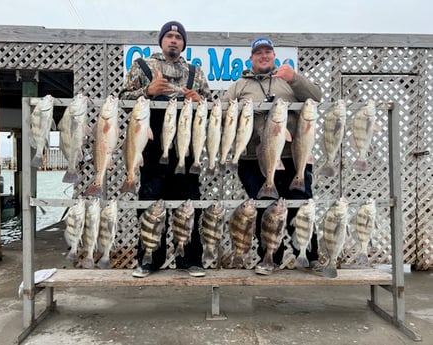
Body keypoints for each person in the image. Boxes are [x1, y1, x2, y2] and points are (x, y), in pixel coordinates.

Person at [119, 21, 213, 278]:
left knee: (189, 203)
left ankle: (190, 259)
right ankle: (149, 260)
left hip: (185, 150)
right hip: (150, 149)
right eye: (169, 36)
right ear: (161, 40)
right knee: (150, 204)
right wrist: (147, 91)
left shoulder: (196, 72)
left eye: (178, 37)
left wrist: (199, 100)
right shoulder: (142, 66)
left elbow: (211, 107)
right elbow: (124, 102)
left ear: (183, 43)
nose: (173, 40)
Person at [223, 37, 323, 275]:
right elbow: (222, 111)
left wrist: (295, 78)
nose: (264, 56)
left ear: (274, 55)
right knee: (266, 208)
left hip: (292, 157)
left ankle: (310, 256)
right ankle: (269, 258)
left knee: (300, 204)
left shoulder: (288, 80)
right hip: (253, 159)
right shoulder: (239, 85)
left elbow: (316, 97)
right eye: (259, 53)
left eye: (268, 51)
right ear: (251, 58)